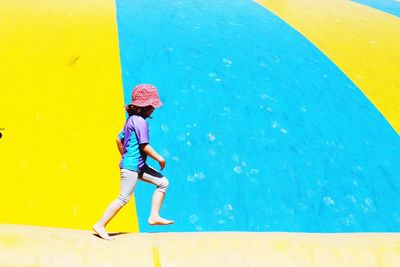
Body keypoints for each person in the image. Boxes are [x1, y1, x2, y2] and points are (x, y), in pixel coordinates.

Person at [93, 84, 173, 240]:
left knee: (163, 182)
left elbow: (118, 139)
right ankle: (100, 225)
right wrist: (160, 158)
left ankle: (154, 216)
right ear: (143, 107)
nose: (153, 109)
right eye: (151, 106)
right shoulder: (141, 122)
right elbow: (145, 146)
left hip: (137, 165)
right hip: (132, 166)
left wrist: (125, 155)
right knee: (123, 198)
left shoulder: (131, 120)